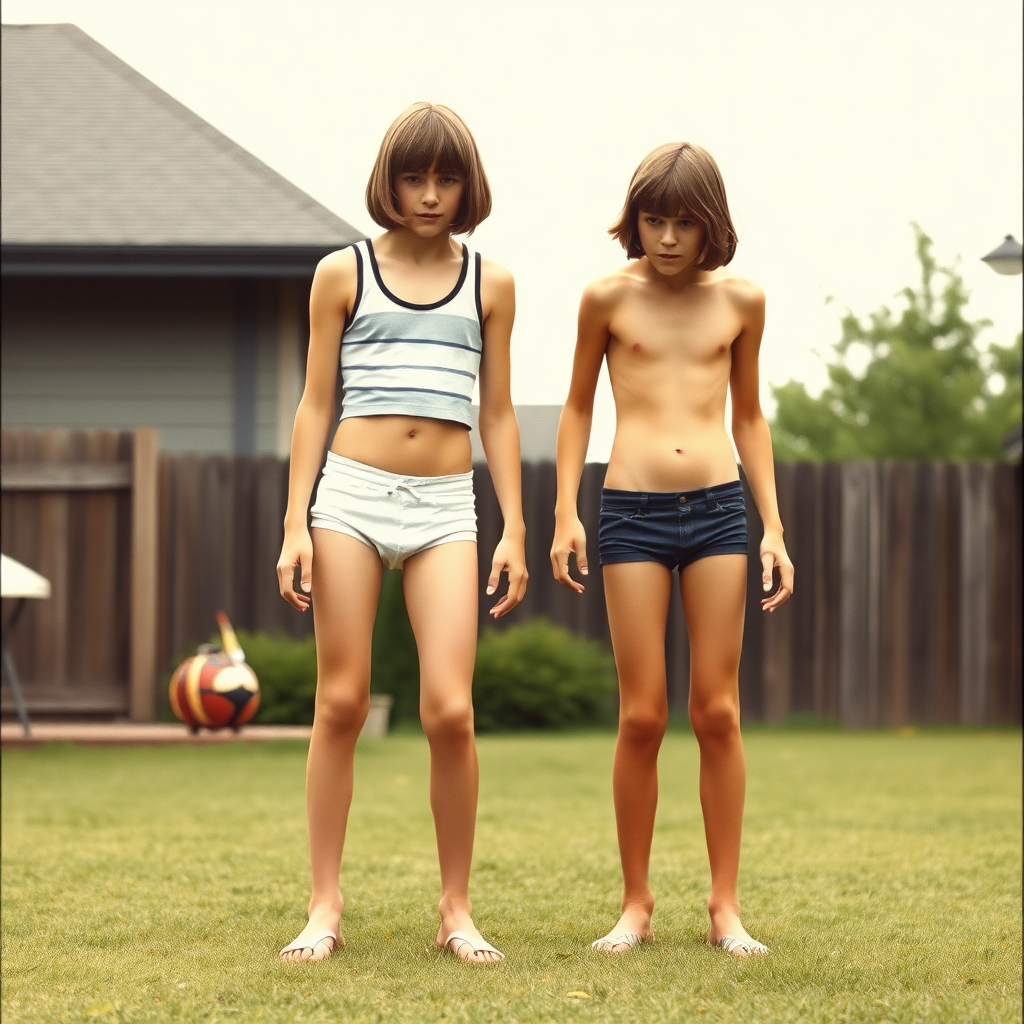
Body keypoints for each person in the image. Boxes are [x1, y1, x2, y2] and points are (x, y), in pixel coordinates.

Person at [276, 103, 527, 965]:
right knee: (341, 701)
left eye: (445, 177)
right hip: (349, 495)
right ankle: (323, 905)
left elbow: (496, 411)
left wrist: (514, 528)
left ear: (468, 184)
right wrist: (294, 524)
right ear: (390, 180)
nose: (429, 194)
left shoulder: (491, 283)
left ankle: (455, 909)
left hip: (448, 508)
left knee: (449, 710)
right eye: (415, 176)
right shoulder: (340, 273)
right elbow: (314, 403)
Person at [550, 143, 793, 958]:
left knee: (716, 711)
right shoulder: (606, 298)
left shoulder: (743, 303)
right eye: (653, 219)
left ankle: (725, 907)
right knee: (643, 713)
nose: (665, 237)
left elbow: (750, 417)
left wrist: (774, 526)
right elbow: (578, 406)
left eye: (683, 222)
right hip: (630, 514)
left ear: (710, 224)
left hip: (721, 511)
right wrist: (566, 513)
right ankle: (636, 904)